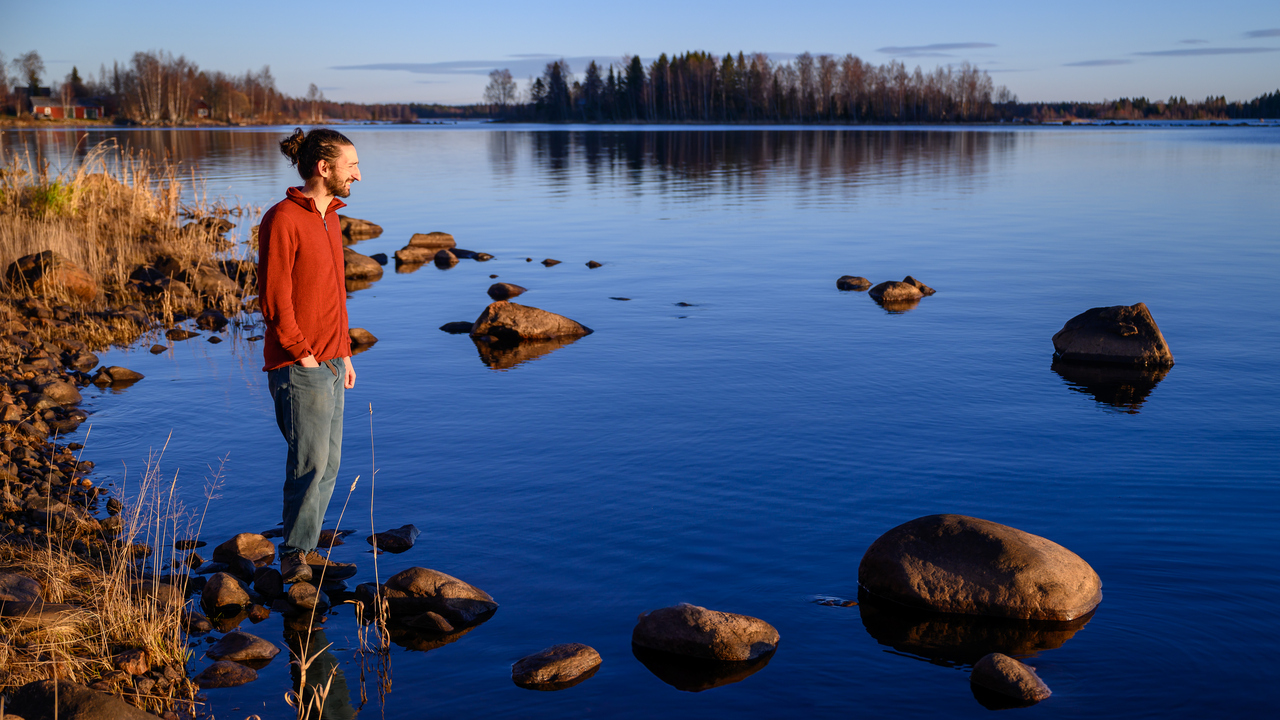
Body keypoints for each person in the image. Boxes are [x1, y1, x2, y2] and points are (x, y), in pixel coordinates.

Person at [259, 127, 361, 584]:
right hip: (300, 366)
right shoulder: (282, 218)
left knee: (330, 463)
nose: (358, 175)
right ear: (325, 168)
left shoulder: (331, 218)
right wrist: (304, 356)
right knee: (309, 463)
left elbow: (334, 296)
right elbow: (274, 300)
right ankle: (294, 557)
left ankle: (308, 549)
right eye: (352, 166)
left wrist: (345, 353)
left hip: (333, 360)